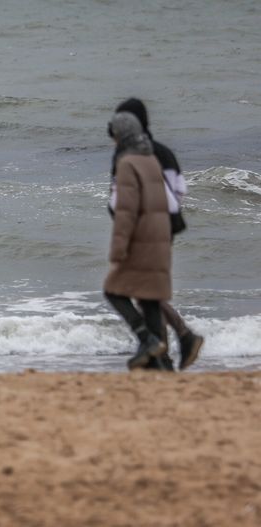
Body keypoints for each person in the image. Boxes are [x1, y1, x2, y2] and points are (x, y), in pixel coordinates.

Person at [112, 98, 203, 371]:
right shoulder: (164, 152)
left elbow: (120, 198)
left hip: (142, 229)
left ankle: (169, 346)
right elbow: (180, 189)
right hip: (167, 227)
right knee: (148, 290)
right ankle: (167, 349)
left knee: (143, 292)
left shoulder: (127, 155)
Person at [103, 112, 172, 370]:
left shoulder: (127, 163)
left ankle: (146, 339)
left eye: (115, 136)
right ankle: (159, 365)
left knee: (112, 291)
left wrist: (118, 249)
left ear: (121, 136)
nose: (113, 142)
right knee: (150, 299)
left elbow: (126, 211)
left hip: (141, 240)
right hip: (160, 237)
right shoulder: (151, 159)